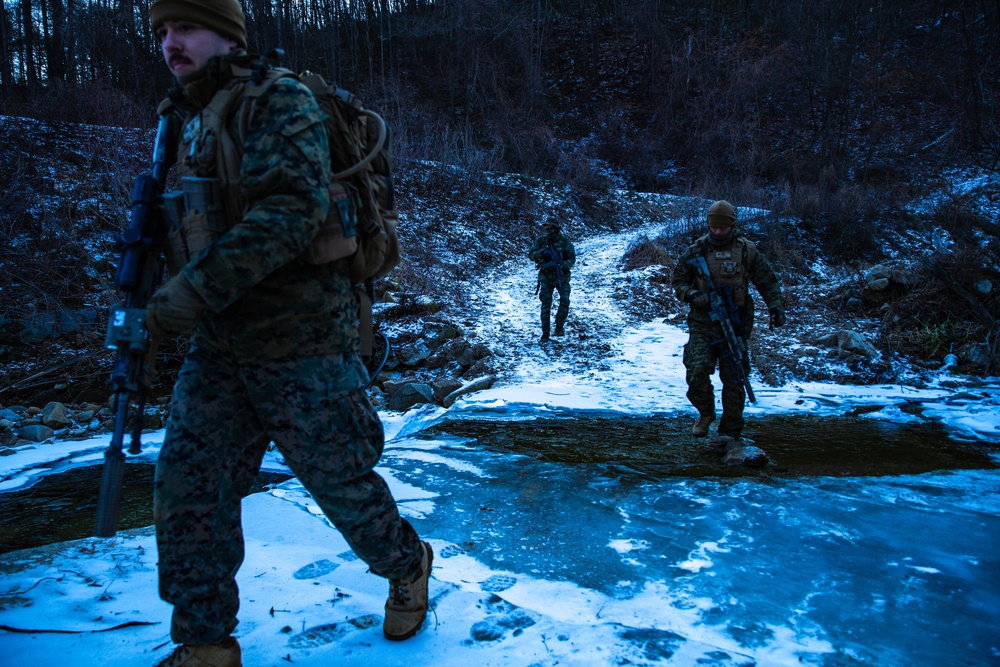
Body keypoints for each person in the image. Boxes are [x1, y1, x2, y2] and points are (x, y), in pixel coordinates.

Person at [144, 1, 430, 665]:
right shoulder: (185, 119)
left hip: (303, 341)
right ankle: (206, 640)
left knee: (343, 488)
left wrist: (190, 291)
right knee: (189, 488)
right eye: (161, 32)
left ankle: (408, 562)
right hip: (220, 346)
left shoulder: (281, 102)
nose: (169, 43)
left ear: (226, 31)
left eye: (183, 27)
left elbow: (291, 214)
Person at [672, 200, 786, 439]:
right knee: (697, 371)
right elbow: (678, 281)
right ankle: (706, 413)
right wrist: (692, 293)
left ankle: (730, 431)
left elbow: (767, 281)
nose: (717, 232)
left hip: (736, 324)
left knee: (735, 377)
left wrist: (775, 306)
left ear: (732, 225)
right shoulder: (696, 251)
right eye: (714, 227)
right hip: (703, 323)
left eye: (722, 228)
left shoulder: (747, 251)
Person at [528, 218, 576, 343]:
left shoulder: (564, 241)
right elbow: (531, 255)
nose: (548, 229)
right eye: (546, 227)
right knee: (546, 305)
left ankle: (559, 327)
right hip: (546, 276)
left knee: (565, 300)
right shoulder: (542, 241)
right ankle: (545, 333)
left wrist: (564, 265)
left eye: (550, 227)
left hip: (562, 276)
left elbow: (572, 258)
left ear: (555, 227)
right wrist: (542, 252)